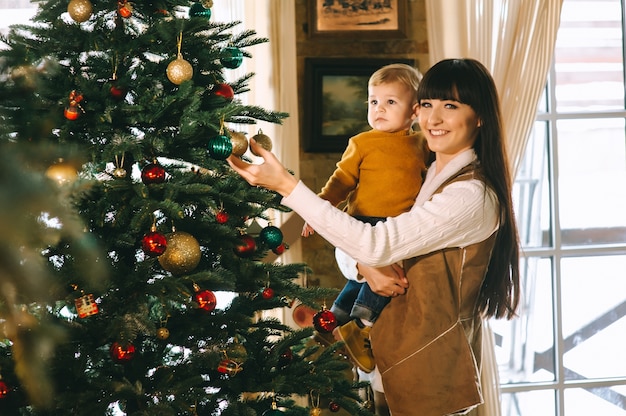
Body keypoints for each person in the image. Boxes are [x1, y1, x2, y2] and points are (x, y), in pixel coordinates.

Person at [228, 58, 521, 416]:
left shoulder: (471, 195)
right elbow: (362, 246)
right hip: (386, 364)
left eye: (451, 106)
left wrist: (287, 186)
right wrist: (366, 266)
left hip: (427, 376)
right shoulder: (423, 173)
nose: (434, 118)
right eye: (427, 104)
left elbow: (374, 242)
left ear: (479, 117)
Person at [301, 63, 429, 374]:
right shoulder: (362, 142)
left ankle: (347, 321)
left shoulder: (422, 145)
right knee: (369, 277)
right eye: (373, 101)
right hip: (362, 221)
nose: (379, 109)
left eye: (390, 102)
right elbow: (341, 181)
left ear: (414, 112)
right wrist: (318, 211)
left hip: (398, 224)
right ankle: (354, 325)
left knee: (367, 282)